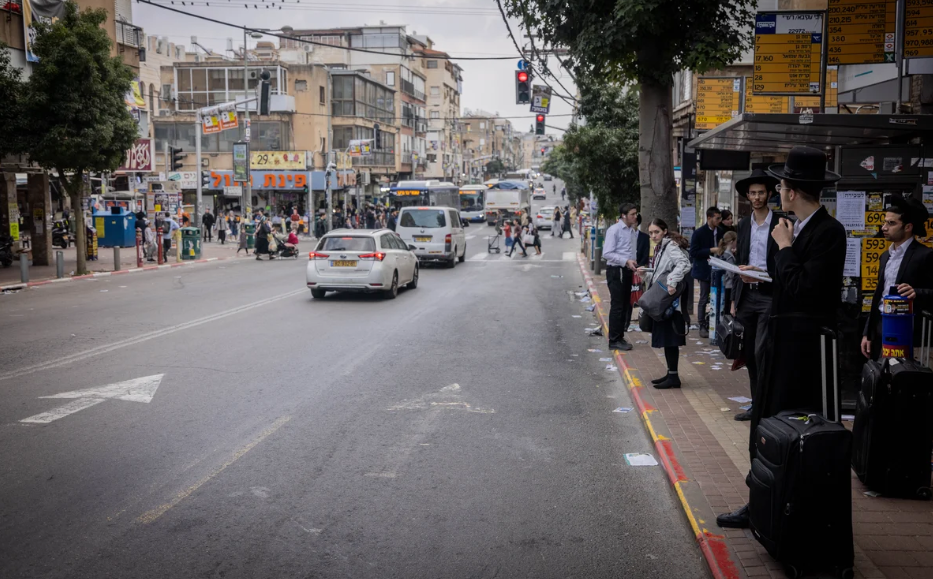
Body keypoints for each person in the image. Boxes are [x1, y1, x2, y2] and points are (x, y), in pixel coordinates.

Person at [717, 145, 845, 529]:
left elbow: (804, 288)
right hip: (780, 339)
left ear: (789, 191)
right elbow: (783, 281)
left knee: (790, 426)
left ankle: (783, 506)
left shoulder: (827, 232)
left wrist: (785, 248)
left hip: (803, 351)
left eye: (780, 186)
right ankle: (761, 499)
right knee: (765, 422)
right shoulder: (794, 227)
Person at [731, 169, 780, 422]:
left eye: (761, 192)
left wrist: (759, 271)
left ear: (769, 194)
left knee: (762, 352)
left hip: (769, 295)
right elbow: (740, 261)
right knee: (749, 353)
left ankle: (764, 406)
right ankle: (756, 404)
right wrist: (733, 299)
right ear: (747, 196)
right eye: (753, 193)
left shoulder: (781, 223)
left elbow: (784, 263)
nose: (757, 197)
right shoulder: (742, 224)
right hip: (746, 296)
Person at [861, 196, 933, 360]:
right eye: (885, 222)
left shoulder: (925, 255)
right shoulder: (885, 256)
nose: (884, 227)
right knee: (879, 378)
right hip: (881, 326)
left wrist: (916, 292)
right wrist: (867, 333)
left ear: (908, 227)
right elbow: (878, 297)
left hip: (908, 330)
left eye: (891, 223)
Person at [638, 218, 691, 389]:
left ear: (665, 231)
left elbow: (684, 264)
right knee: (667, 340)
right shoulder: (661, 248)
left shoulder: (670, 247)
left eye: (657, 232)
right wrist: (645, 274)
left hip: (671, 303)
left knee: (670, 339)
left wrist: (672, 282)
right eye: (651, 233)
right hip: (665, 301)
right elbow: (661, 273)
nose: (653, 236)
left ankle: (673, 377)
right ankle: (671, 374)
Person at [603, 203, 640, 351]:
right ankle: (614, 339)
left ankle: (620, 336)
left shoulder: (631, 231)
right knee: (618, 305)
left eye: (636, 213)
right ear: (624, 216)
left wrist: (633, 264)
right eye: (632, 214)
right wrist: (625, 261)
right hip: (616, 270)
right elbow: (607, 253)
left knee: (625, 304)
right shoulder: (615, 230)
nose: (635, 216)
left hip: (627, 270)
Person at [689, 206, 725, 338]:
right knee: (704, 297)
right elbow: (693, 252)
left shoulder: (720, 231)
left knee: (718, 296)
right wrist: (711, 250)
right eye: (717, 218)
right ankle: (702, 324)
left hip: (719, 268)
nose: (719, 221)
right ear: (709, 218)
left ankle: (716, 321)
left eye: (720, 218)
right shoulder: (699, 233)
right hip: (704, 269)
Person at [718, 231, 738, 315]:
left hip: (722, 284)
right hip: (729, 285)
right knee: (728, 310)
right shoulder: (729, 256)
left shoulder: (722, 254)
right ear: (731, 242)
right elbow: (731, 274)